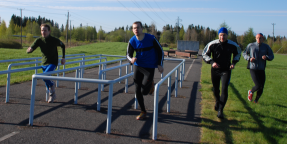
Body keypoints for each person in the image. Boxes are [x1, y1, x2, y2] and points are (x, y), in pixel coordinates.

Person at [126, 21, 164, 120]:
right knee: (137, 90)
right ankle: (143, 111)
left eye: (138, 28)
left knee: (144, 91)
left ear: (142, 28)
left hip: (150, 67)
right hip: (138, 66)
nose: (136, 30)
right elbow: (128, 55)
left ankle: (151, 84)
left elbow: (160, 50)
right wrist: (132, 60)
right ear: (132, 30)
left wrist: (160, 64)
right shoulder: (132, 41)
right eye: (134, 28)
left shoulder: (151, 38)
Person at [202, 27, 241, 119]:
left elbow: (238, 53)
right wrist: (212, 62)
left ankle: (220, 110)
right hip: (215, 70)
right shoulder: (212, 44)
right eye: (221, 35)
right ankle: (217, 100)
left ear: (227, 35)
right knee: (216, 89)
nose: (222, 37)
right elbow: (204, 54)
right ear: (218, 35)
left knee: (224, 89)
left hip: (226, 70)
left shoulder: (233, 45)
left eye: (224, 35)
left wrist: (233, 63)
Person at [27, 24, 66, 103]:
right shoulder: (39, 40)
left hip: (52, 62)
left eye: (45, 30)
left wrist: (63, 57)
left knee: (45, 77)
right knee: (46, 79)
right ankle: (52, 94)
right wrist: (29, 50)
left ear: (49, 31)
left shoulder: (54, 40)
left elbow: (63, 45)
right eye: (42, 30)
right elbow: (32, 47)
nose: (43, 32)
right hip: (44, 63)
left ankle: (52, 88)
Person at [243, 33, 274, 103]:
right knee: (258, 85)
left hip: (261, 69)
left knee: (261, 87)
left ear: (263, 39)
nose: (259, 39)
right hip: (253, 68)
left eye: (260, 38)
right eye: (257, 38)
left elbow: (272, 56)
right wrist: (249, 58)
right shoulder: (251, 45)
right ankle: (251, 91)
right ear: (255, 38)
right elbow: (244, 53)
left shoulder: (266, 47)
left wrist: (267, 57)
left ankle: (256, 100)